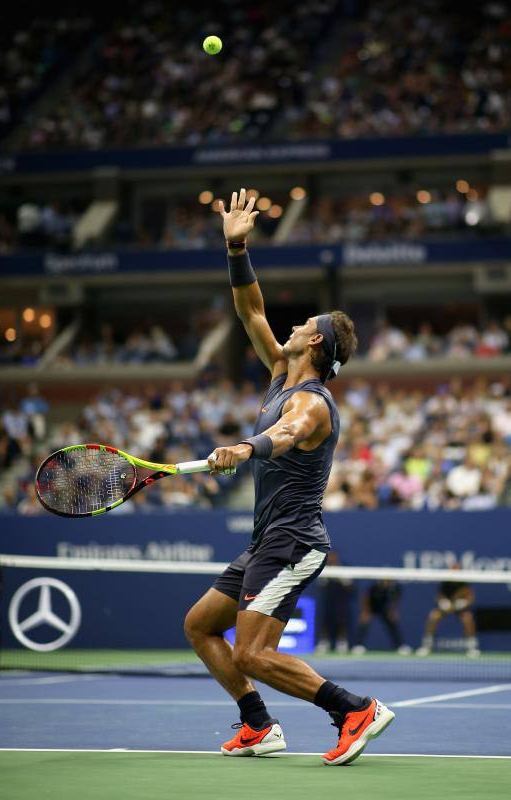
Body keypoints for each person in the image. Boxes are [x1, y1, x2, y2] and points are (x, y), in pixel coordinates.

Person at [184, 188, 395, 766]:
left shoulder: (314, 401)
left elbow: (285, 435)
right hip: (265, 541)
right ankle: (259, 725)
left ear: (316, 341)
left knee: (252, 652)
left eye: (305, 322)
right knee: (201, 625)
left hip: (295, 540)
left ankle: (354, 709)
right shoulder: (281, 370)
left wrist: (245, 448)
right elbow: (250, 310)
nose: (294, 324)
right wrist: (236, 246)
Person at [416, 568, 480, 657]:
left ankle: (472, 648)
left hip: (460, 607)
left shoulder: (464, 583)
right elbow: (439, 597)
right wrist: (444, 603)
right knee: (433, 616)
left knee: (468, 618)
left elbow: (470, 598)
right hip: (447, 607)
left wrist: (462, 604)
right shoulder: (445, 582)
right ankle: (426, 647)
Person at [351, 579, 411, 655]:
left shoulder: (395, 588)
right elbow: (365, 598)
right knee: (364, 624)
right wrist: (365, 611)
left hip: (383, 607)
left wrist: (393, 611)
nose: (387, 582)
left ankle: (400, 646)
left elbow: (395, 601)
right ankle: (358, 645)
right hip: (371, 606)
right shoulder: (374, 587)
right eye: (385, 580)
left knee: (392, 624)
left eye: (389, 580)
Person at [315, 550, 354, 654]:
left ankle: (342, 643)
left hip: (341, 601)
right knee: (325, 621)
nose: (332, 559)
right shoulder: (324, 569)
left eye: (334, 557)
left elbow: (349, 586)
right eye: (330, 557)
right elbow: (321, 585)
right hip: (328, 601)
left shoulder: (343, 568)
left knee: (342, 621)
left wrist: (340, 577)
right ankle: (324, 643)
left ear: (337, 557)